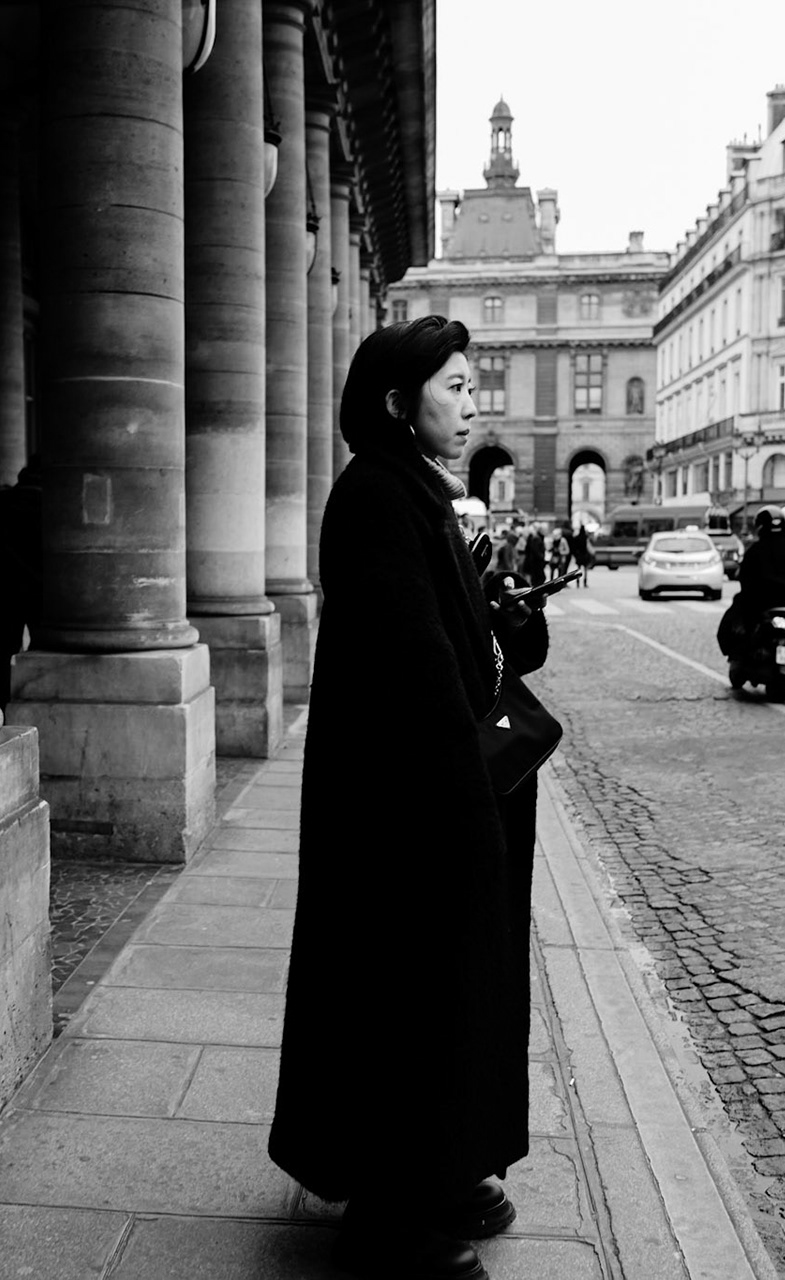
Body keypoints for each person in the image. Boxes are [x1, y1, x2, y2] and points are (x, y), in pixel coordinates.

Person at [270, 316, 546, 1280]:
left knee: (453, 997)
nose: (472, 401)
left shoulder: (417, 491)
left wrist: (512, 612)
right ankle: (390, 1213)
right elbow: (414, 669)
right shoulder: (377, 498)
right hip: (409, 813)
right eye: (454, 386)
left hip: (445, 797)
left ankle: (444, 1167)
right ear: (399, 403)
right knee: (404, 1002)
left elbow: (464, 640)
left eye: (474, 385)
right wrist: (465, 801)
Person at [0, 455, 44, 695]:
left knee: (5, 651)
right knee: (42, 646)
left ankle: (5, 703)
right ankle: (34, 698)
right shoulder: (52, 503)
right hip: (39, 587)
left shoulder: (3, 500)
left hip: (5, 586)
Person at [718, 504, 785, 656]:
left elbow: (745, 579)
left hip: (763, 605)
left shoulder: (756, 550)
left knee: (733, 621)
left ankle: (739, 654)